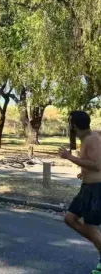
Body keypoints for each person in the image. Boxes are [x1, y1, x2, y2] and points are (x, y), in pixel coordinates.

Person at [59, 111, 101, 274]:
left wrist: (69, 157)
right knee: (70, 218)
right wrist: (83, 171)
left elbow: (97, 165)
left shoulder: (91, 139)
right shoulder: (90, 136)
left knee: (91, 229)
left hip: (96, 189)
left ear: (74, 126)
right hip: (87, 188)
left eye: (70, 124)